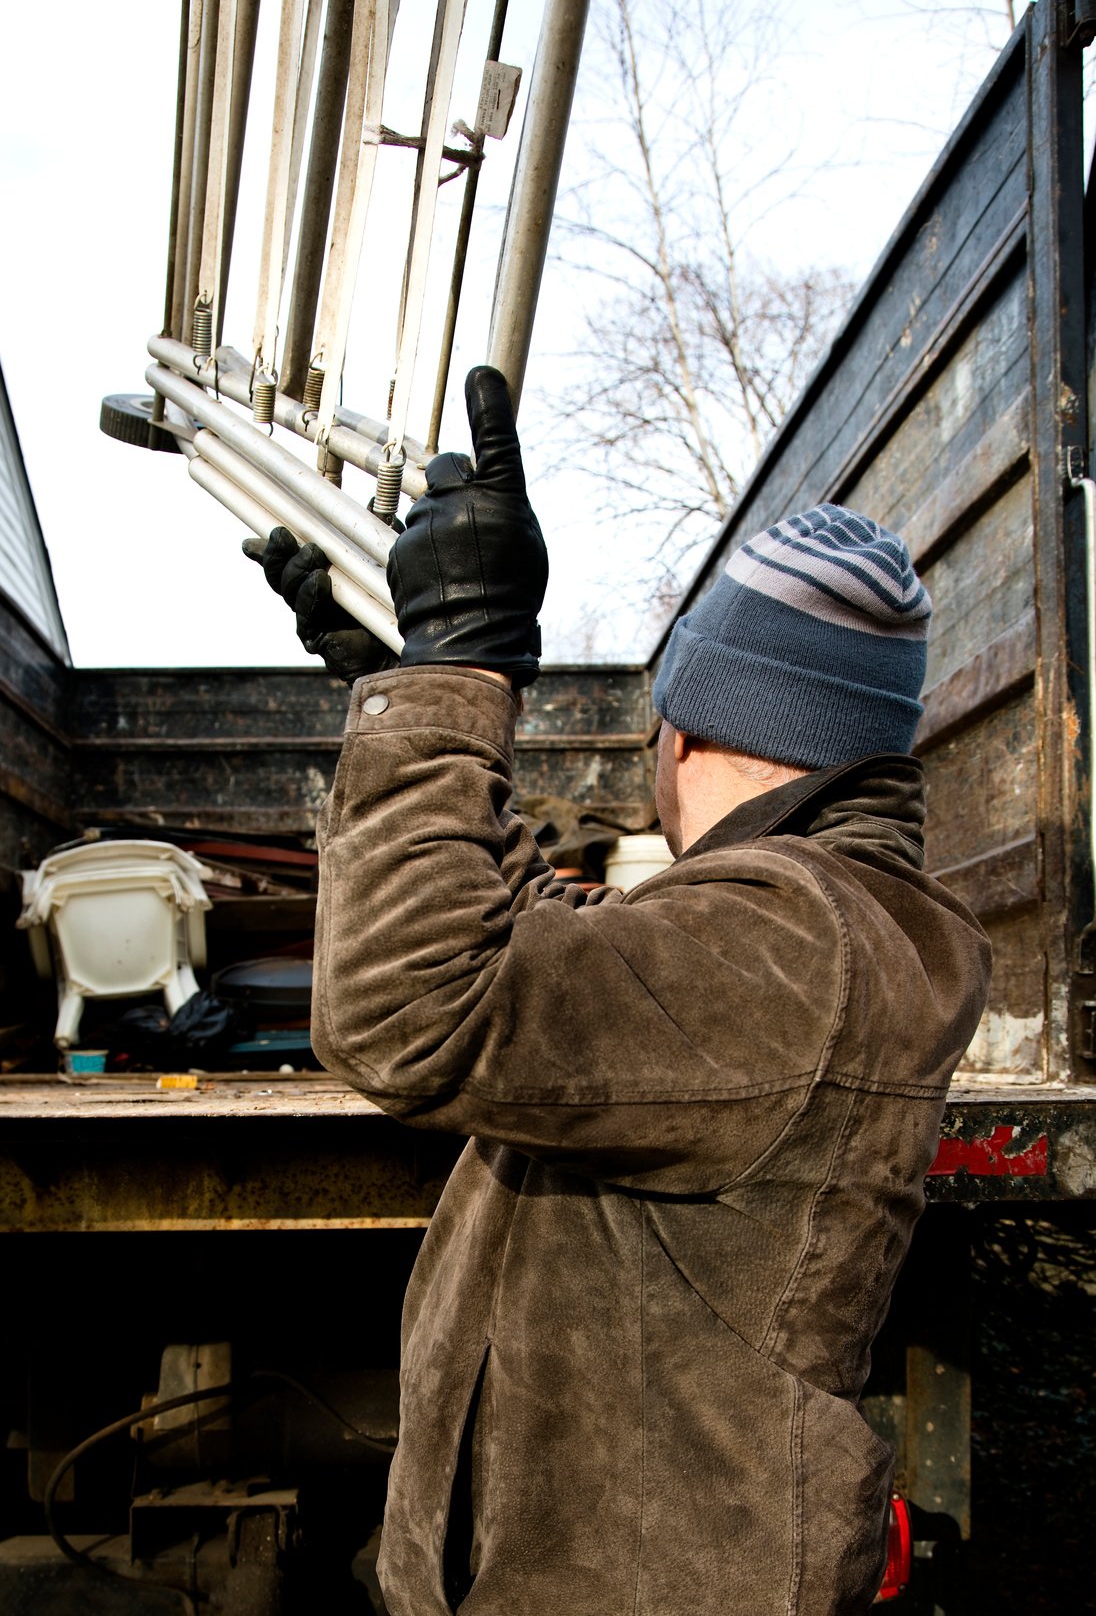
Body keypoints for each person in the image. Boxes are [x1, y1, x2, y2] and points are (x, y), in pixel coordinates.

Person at [246, 366, 991, 1616]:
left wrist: (450, 688)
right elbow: (545, 954)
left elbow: (406, 1010)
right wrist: (408, 686)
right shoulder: (794, 928)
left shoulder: (793, 940)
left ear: (689, 730)